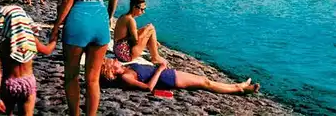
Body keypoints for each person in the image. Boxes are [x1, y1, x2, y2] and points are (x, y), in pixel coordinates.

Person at [50, 0, 118, 116]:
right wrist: (110, 17)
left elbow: (69, 0)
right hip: (100, 21)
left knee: (71, 77)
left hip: (78, 21)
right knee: (93, 80)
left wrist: (56, 27)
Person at [0, 5, 57, 116]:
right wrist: (54, 40)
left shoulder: (4, 45)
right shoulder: (31, 40)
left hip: (9, 83)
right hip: (28, 83)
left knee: (7, 113)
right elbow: (47, 50)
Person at [101, 58, 260, 95]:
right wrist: (160, 68)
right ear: (112, 71)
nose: (115, 60)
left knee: (205, 81)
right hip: (167, 79)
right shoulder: (125, 78)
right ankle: (239, 88)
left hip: (167, 74)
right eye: (112, 62)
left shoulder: (125, 68)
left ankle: (239, 86)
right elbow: (148, 88)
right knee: (205, 82)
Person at [113, 0, 166, 64]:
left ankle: (154, 50)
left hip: (118, 51)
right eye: (142, 9)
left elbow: (130, 35)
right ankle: (155, 57)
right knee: (151, 28)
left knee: (147, 28)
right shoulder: (131, 20)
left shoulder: (123, 17)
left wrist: (146, 32)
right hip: (125, 55)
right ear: (134, 7)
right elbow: (136, 41)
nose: (143, 12)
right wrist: (147, 35)